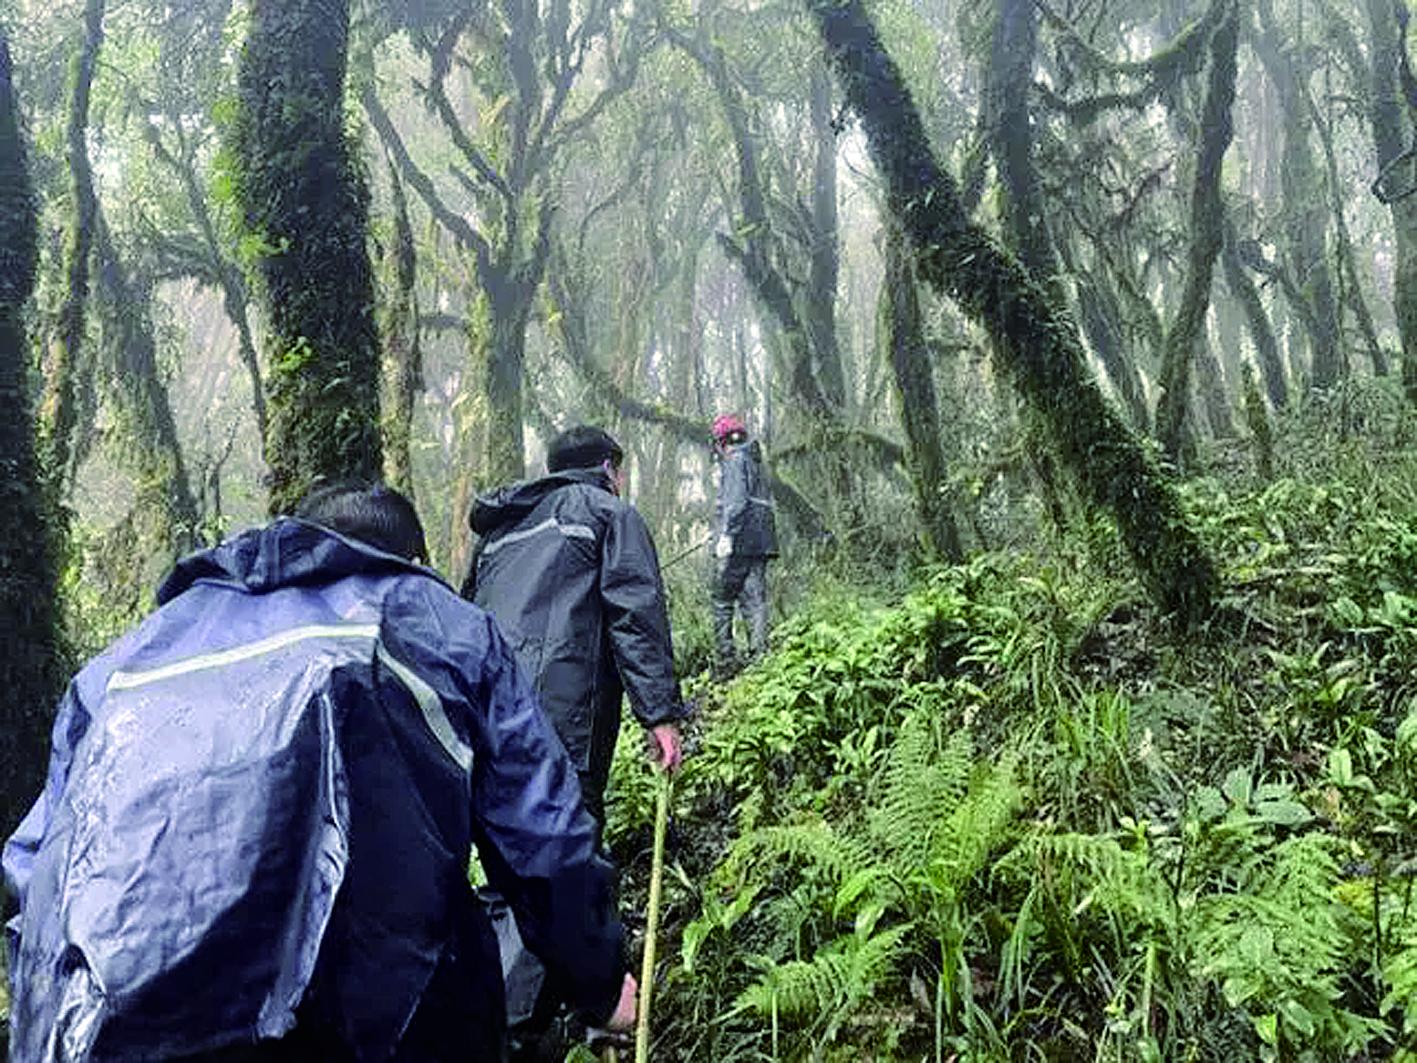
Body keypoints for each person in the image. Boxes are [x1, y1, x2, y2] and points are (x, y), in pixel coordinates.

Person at [4, 482, 635, 1063]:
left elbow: (32, 874)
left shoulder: (123, 663)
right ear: (412, 561)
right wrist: (601, 984)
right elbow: (544, 839)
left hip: (97, 1028)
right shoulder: (433, 623)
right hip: (366, 1026)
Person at [462, 425, 686, 1059]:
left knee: (508, 869)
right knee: (563, 855)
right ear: (609, 468)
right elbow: (633, 612)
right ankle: (535, 1028)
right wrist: (660, 715)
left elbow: (459, 623)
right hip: (564, 722)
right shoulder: (609, 513)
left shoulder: (499, 532)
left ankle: (546, 1012)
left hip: (485, 723)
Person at [711, 414, 778, 671]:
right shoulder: (754, 460)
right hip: (760, 542)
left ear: (721, 442)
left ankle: (726, 659)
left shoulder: (735, 460)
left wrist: (726, 535)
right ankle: (760, 657)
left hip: (739, 541)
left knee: (722, 598)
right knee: (754, 599)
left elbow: (736, 502)